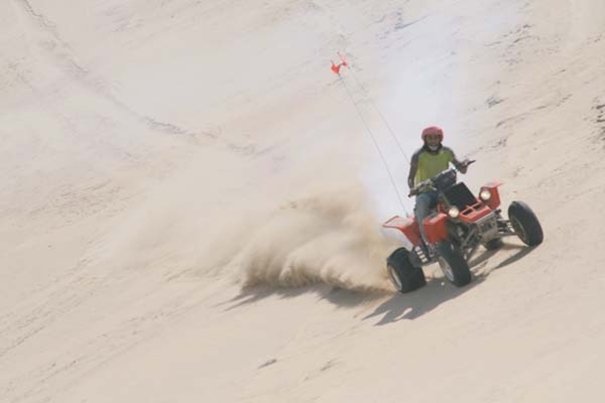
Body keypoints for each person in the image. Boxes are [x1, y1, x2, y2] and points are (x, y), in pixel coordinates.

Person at [407, 126, 469, 253]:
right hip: (426, 192)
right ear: (425, 139)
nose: (433, 141)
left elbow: (461, 169)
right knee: (422, 209)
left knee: (466, 198)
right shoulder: (418, 155)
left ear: (440, 138)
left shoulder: (447, 151)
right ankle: (430, 244)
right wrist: (413, 189)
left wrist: (464, 165)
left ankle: (475, 224)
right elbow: (410, 178)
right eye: (430, 138)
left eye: (436, 138)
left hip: (447, 187)